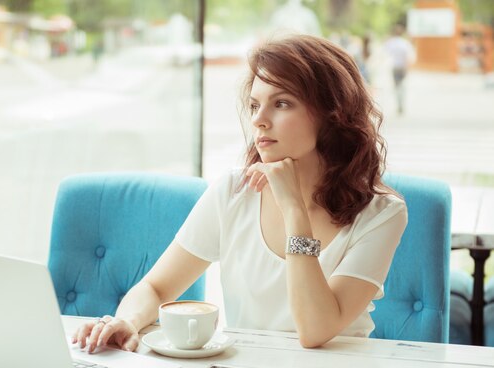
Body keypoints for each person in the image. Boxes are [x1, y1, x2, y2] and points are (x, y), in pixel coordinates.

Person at [73, 35, 408, 351]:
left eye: (282, 103)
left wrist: (294, 210)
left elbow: (315, 330)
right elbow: (156, 287)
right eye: (253, 105)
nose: (259, 120)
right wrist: (127, 321)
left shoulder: (382, 213)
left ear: (332, 115)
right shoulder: (234, 192)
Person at [385, 25, 415, 114]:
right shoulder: (405, 43)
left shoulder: (391, 43)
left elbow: (386, 53)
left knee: (396, 87)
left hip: (395, 67)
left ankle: (399, 104)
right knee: (402, 87)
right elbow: (409, 57)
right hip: (403, 67)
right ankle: (401, 104)